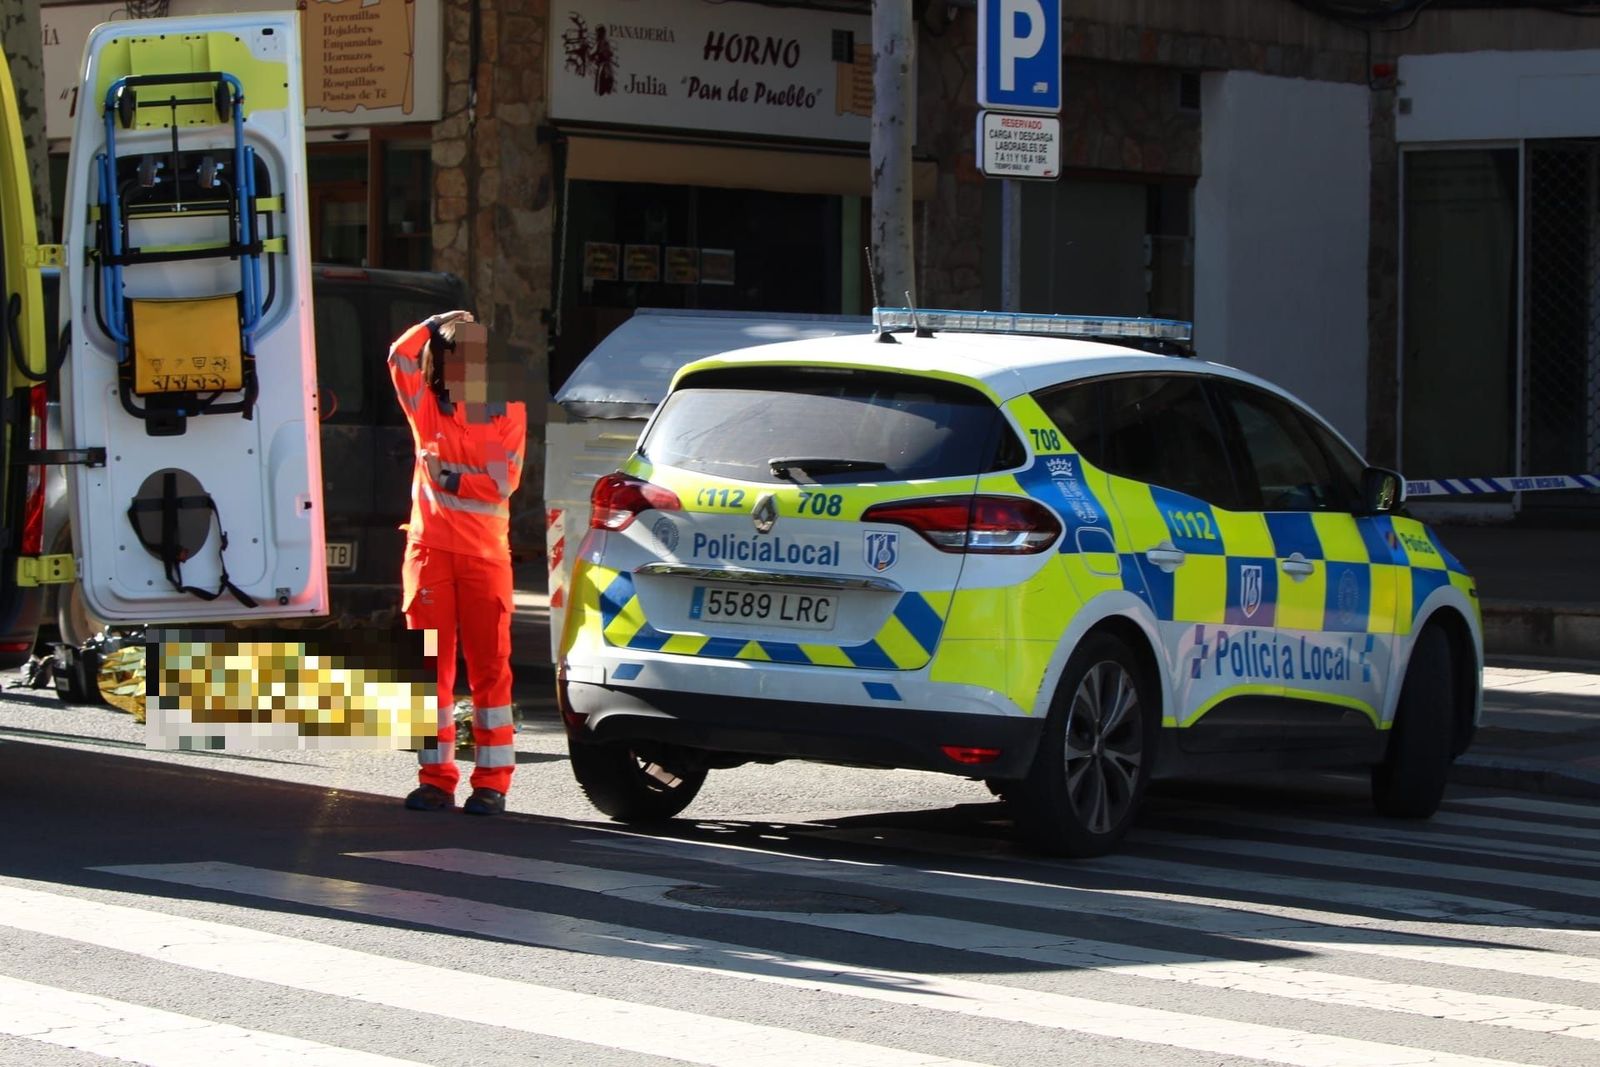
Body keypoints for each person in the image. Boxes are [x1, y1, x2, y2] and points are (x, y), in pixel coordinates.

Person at [388, 310, 525, 815]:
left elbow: (500, 483)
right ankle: (436, 780)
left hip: (484, 558)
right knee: (430, 674)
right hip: (430, 554)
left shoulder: (504, 410)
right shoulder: (426, 407)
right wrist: (434, 321)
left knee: (491, 673)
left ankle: (492, 784)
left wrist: (446, 479)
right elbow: (397, 355)